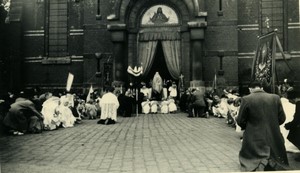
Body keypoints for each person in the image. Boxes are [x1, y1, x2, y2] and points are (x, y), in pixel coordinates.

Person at [236, 80, 289, 171]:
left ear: (250, 89)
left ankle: (256, 164)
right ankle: (272, 162)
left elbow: (240, 120)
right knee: (275, 151)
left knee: (251, 154)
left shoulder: (246, 99)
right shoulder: (275, 98)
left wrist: (247, 126)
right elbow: (282, 118)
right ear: (262, 88)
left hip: (254, 133)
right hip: (273, 133)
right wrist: (272, 124)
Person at [284, 90, 300, 161]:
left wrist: (288, 125)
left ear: (293, 98)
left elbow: (297, 119)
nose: (290, 102)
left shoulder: (298, 104)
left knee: (292, 135)